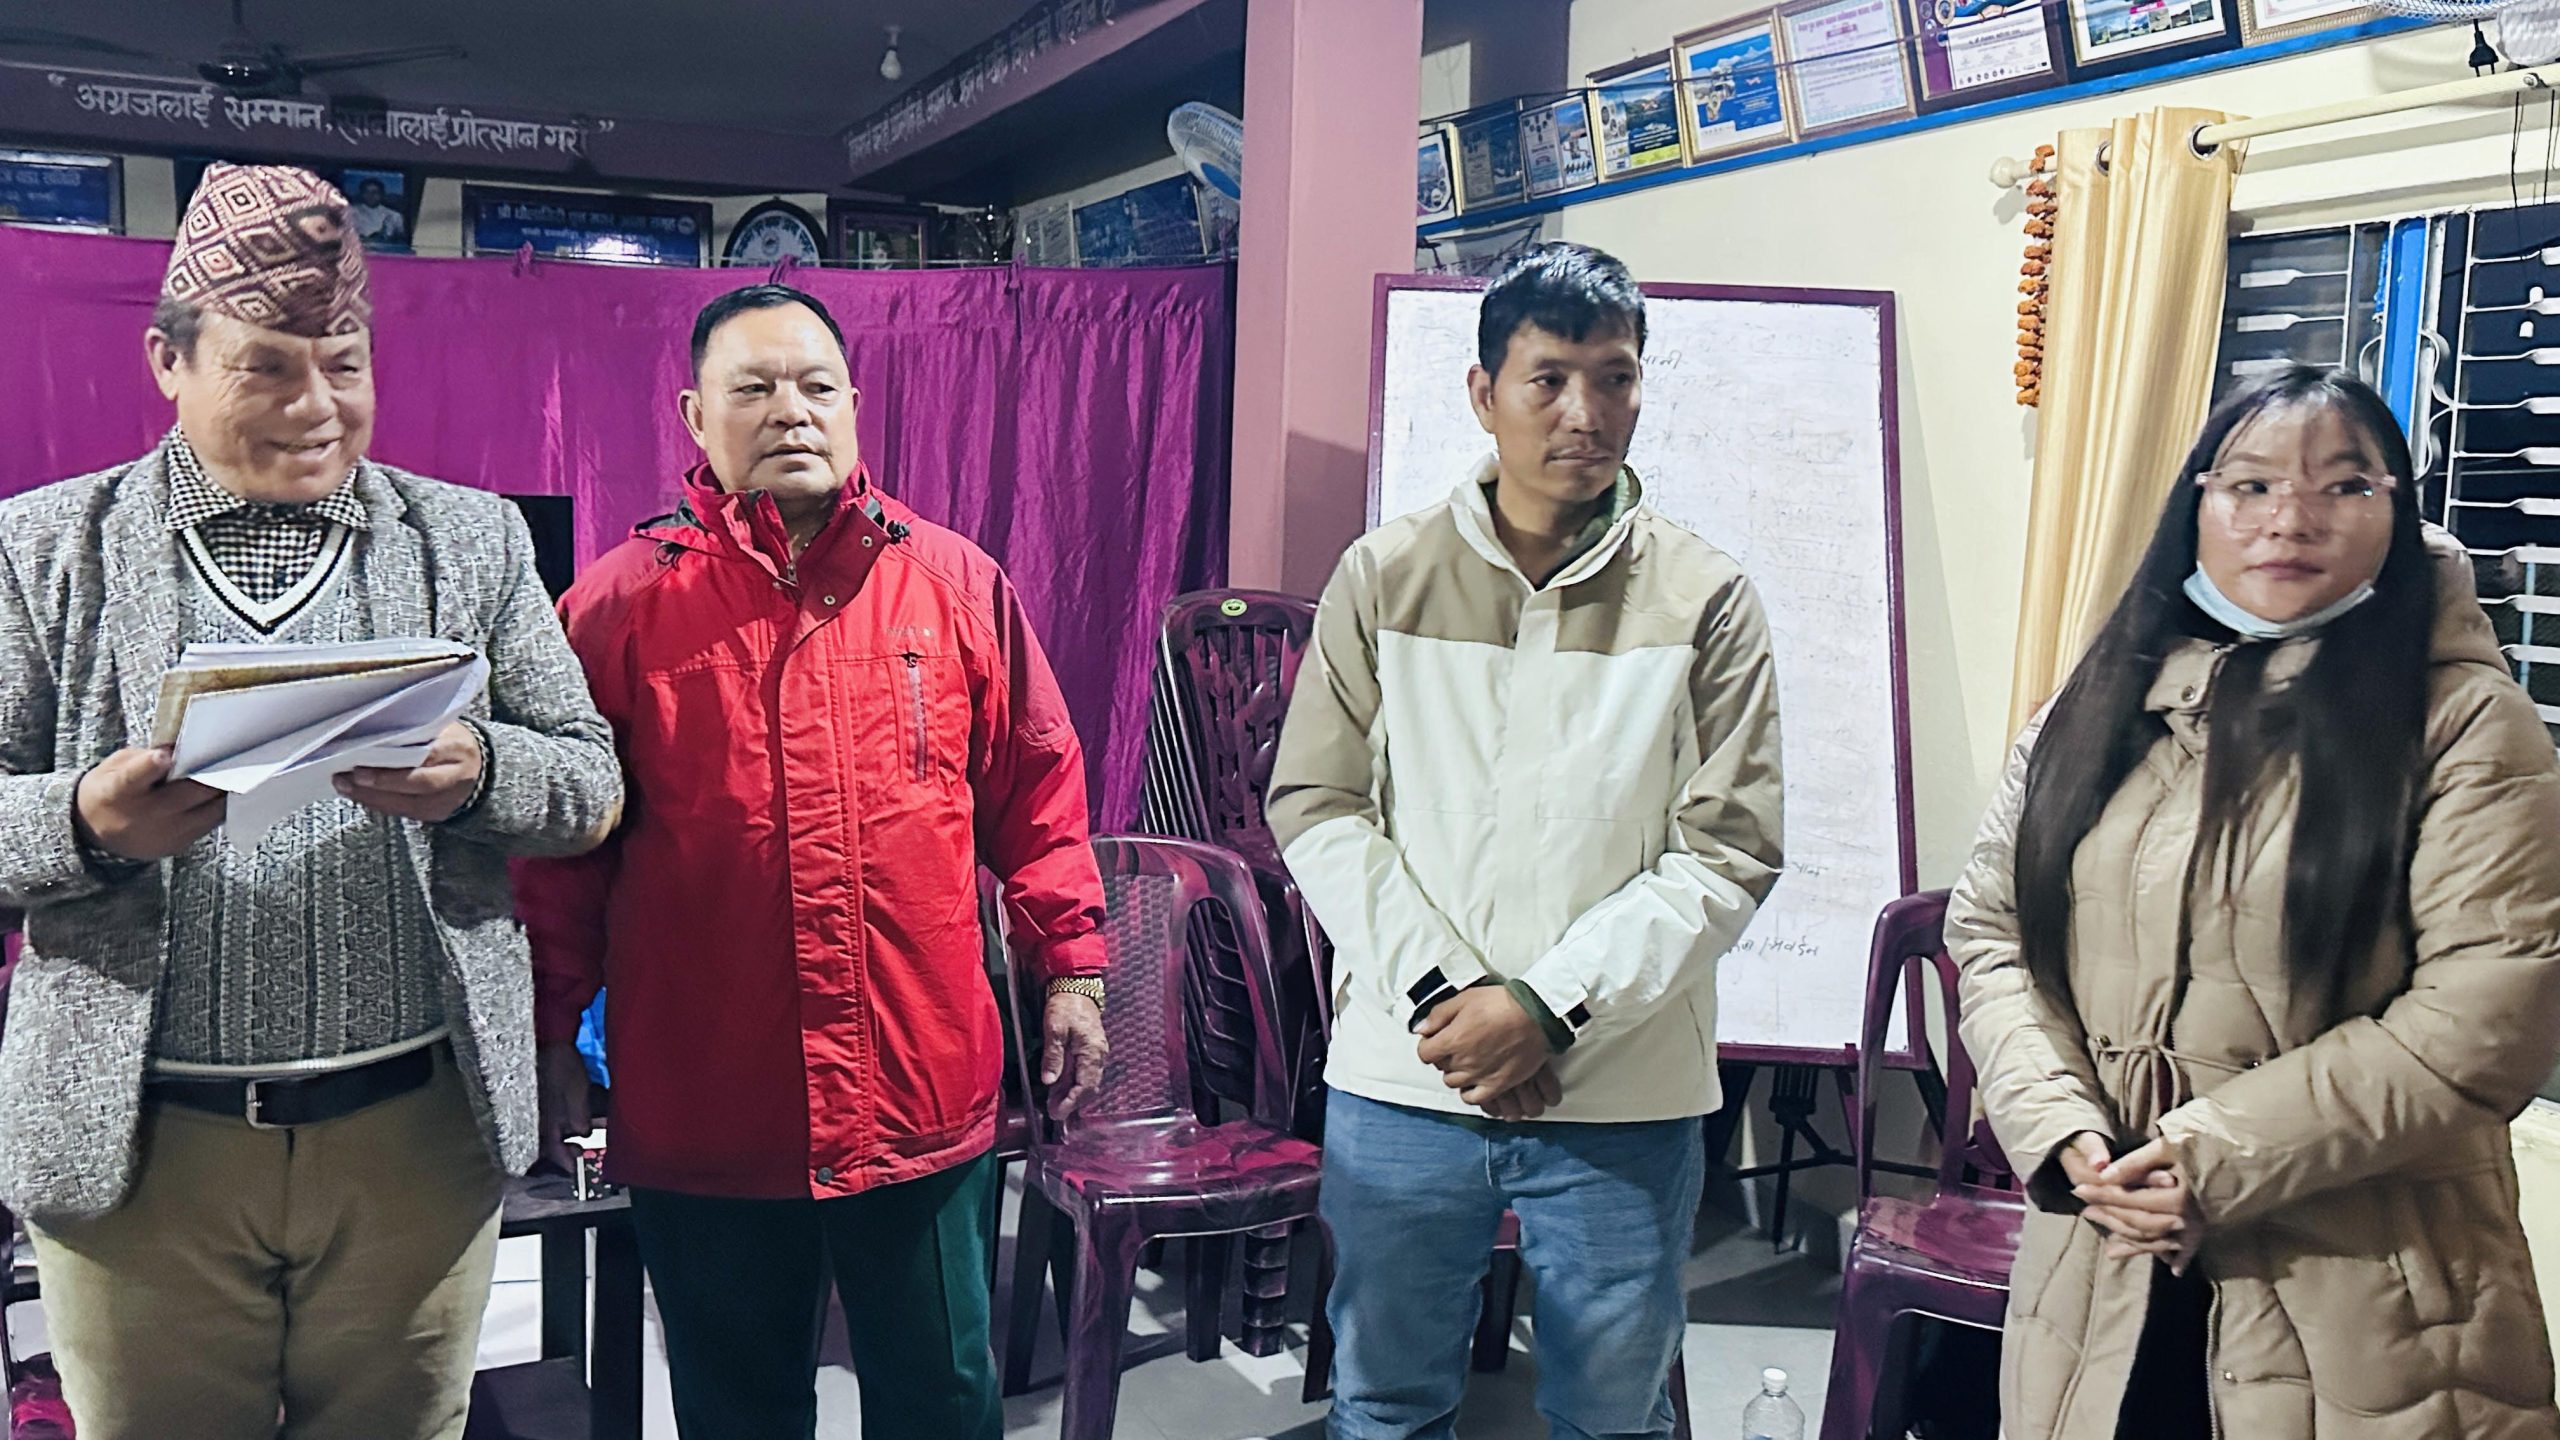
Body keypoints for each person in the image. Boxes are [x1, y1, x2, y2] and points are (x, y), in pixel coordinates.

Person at [0, 163, 622, 1440]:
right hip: (141, 1154)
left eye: (344, 365)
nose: (317, 407)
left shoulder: (470, 541)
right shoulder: (43, 548)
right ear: (168, 361)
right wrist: (83, 825)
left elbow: (591, 781)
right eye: (268, 368)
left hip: (412, 1139)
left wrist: (482, 774)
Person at [517, 283, 1110, 1440]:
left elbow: (1039, 793)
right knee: (738, 1409)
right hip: (709, 1103)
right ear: (696, 417)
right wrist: (548, 1033)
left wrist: (1073, 972)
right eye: (753, 388)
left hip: (917, 1093)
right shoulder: (615, 610)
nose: (790, 410)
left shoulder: (953, 587)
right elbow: (556, 860)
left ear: (853, 405)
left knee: (942, 1402)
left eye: (815, 385)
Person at [1948, 366, 2560, 1439]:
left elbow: (2483, 1021)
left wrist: (2203, 1159)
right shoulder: (2097, 702)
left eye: (2345, 486)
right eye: (2252, 485)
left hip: (2367, 1297)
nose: (2291, 519)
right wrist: (2063, 1134)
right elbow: (1993, 934)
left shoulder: (2465, 722)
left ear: (2398, 511)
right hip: (2103, 1259)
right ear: (2196, 505)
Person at [1267, 242, 1785, 1440]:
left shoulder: (1705, 597)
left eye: (1614, 378)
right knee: (1384, 1406)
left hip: (1621, 1095)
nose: (1583, 413)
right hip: (1408, 1080)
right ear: (1482, 392)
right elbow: (1318, 806)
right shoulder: (1385, 575)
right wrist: (1456, 1001)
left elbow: (1730, 849)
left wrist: (1548, 1008)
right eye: (1548, 378)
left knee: (1613, 1416)